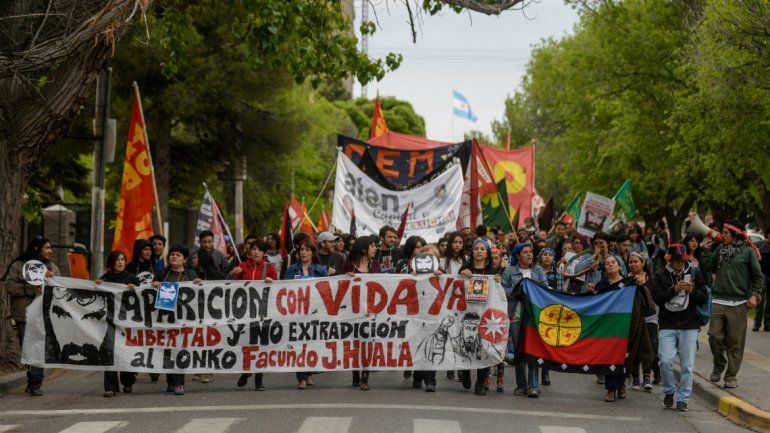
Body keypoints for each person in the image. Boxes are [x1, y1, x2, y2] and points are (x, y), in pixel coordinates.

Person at [700, 220, 764, 388]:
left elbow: (758, 277)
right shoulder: (720, 249)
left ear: (735, 234)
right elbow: (707, 266)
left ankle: (730, 376)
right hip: (719, 301)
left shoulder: (748, 252)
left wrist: (755, 295)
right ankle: (719, 364)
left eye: (726, 232)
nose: (723, 234)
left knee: (735, 342)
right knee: (714, 336)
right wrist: (706, 251)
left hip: (739, 303)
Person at [651, 244, 707, 412]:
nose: (678, 263)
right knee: (665, 360)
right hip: (667, 324)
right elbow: (657, 298)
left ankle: (683, 398)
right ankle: (669, 391)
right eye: (674, 260)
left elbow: (703, 297)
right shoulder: (660, 275)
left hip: (689, 325)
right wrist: (674, 290)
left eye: (681, 260)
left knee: (687, 366)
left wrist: (692, 291)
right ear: (669, 259)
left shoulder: (695, 273)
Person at [3, 237, 60, 396]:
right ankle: (31, 377)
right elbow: (9, 286)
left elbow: (60, 288)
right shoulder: (18, 266)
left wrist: (52, 278)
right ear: (37, 249)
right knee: (27, 350)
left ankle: (36, 382)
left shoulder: (52, 267)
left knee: (39, 348)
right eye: (47, 248)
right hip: (24, 315)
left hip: (43, 315)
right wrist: (30, 289)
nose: (51, 251)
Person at [594, 254, 653, 403]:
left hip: (628, 325)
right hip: (608, 327)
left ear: (620, 266)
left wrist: (641, 286)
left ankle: (621, 385)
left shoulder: (630, 283)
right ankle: (611, 389)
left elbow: (647, 304)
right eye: (607, 263)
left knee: (624, 357)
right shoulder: (601, 285)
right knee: (610, 357)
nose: (610, 265)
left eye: (613, 262)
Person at [152, 244, 201, 395]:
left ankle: (179, 383)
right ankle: (170, 381)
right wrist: (153, 285)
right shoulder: (162, 274)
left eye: (178, 255)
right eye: (172, 254)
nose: (174, 256)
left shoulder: (191, 275)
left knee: (181, 350)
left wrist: (199, 285)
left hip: (184, 320)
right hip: (166, 319)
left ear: (184, 259)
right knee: (168, 351)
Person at [501, 243, 547, 398]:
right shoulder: (509, 271)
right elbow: (503, 291)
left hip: (534, 315)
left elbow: (545, 288)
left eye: (531, 252)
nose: (529, 254)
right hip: (516, 314)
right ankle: (521, 385)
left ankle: (534, 386)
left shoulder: (538, 270)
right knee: (519, 349)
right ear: (518, 255)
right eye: (525, 252)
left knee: (533, 349)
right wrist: (517, 291)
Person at [232, 239, 277, 391]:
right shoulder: (242, 266)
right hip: (245, 313)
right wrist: (234, 274)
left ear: (264, 253)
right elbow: (233, 288)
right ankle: (246, 372)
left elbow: (278, 288)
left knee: (262, 345)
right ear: (249, 251)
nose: (256, 252)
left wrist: (273, 282)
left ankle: (259, 380)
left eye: (259, 250)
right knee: (248, 344)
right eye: (254, 249)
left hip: (263, 313)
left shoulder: (269, 268)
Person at [283, 237, 328, 390]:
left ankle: (309, 373)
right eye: (301, 250)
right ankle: (301, 377)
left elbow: (328, 289)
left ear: (312, 252)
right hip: (296, 313)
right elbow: (283, 289)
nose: (303, 252)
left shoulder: (320, 270)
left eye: (307, 250)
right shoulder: (291, 270)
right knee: (298, 343)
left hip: (315, 313)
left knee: (311, 343)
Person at [95, 250, 141, 397]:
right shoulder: (105, 279)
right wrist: (97, 286)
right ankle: (110, 387)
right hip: (110, 321)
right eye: (117, 260)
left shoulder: (132, 278)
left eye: (123, 259)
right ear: (112, 263)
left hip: (128, 322)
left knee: (126, 350)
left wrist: (135, 290)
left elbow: (142, 297)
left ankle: (128, 381)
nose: (121, 262)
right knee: (109, 350)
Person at [459, 238, 502, 396]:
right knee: (467, 345)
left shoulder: (492, 271)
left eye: (482, 249)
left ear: (487, 253)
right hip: (467, 314)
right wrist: (462, 274)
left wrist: (498, 281)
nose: (478, 251)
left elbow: (497, 294)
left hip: (485, 315)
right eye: (476, 248)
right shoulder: (465, 269)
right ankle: (465, 372)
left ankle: (480, 382)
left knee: (484, 347)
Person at [342, 236, 383, 391]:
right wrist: (346, 278)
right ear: (363, 248)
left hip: (371, 312)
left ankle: (365, 378)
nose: (375, 249)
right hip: (352, 312)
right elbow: (338, 287)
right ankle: (355, 375)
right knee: (355, 343)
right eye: (372, 246)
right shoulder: (348, 265)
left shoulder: (376, 265)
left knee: (368, 344)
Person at [627, 252, 660, 391]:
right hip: (633, 318)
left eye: (636, 261)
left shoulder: (651, 278)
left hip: (650, 317)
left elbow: (656, 296)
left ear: (643, 263)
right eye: (630, 262)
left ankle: (647, 376)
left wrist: (643, 285)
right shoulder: (625, 279)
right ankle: (635, 377)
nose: (633, 264)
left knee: (650, 346)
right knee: (635, 346)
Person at [755, 228, 770, 331]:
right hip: (761, 276)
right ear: (767, 234)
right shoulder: (759, 244)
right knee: (760, 301)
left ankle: (767, 324)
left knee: (769, 303)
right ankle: (757, 323)